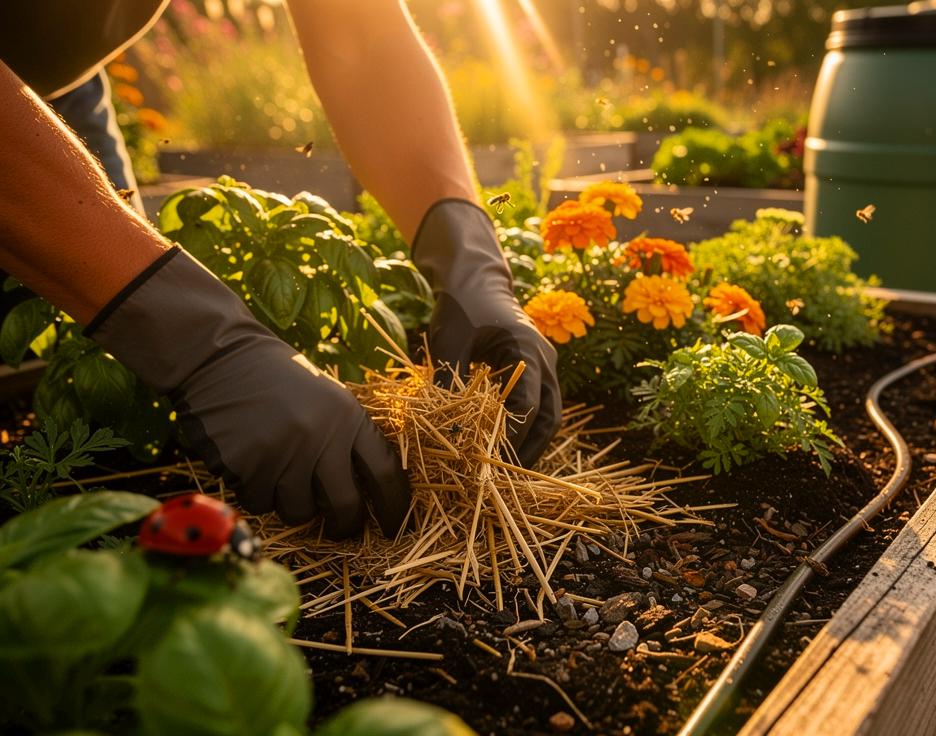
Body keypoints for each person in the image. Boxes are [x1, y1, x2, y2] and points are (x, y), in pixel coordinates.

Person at [0, 0, 561, 538]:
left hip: (59, 95)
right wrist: (200, 342)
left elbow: (361, 36)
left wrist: (468, 256)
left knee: (120, 356)